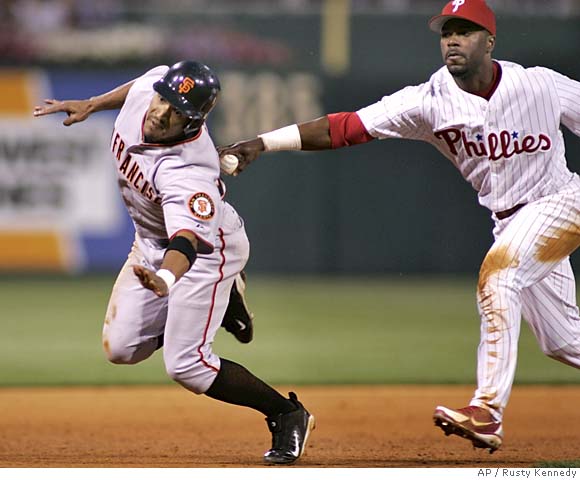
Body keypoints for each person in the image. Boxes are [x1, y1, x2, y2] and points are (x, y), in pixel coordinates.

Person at [218, 0, 580, 454]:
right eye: (447, 31)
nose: (452, 39)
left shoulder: (540, 85)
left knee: (498, 277)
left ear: (490, 42)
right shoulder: (429, 102)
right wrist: (261, 143)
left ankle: (486, 409)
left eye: (465, 31)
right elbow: (345, 127)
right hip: (510, 222)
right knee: (564, 343)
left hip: (564, 201)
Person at [33, 60, 315, 465]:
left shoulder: (189, 171)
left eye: (177, 110)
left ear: (193, 122)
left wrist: (166, 280)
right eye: (165, 98)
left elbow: (187, 242)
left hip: (204, 252)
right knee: (121, 349)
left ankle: (287, 414)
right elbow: (143, 84)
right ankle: (223, 301)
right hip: (150, 242)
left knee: (187, 365)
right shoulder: (153, 93)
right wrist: (93, 104)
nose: (161, 111)